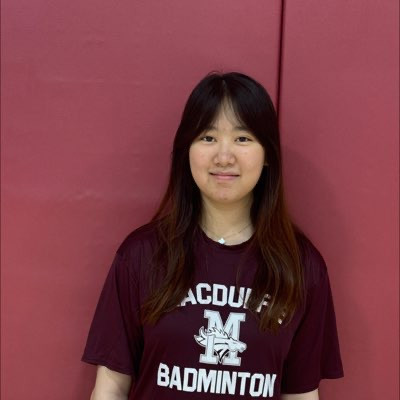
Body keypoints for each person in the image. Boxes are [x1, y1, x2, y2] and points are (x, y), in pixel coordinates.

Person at [81, 71, 344, 400]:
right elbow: (110, 388)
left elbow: (301, 395)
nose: (224, 156)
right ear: (186, 150)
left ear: (267, 155)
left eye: (242, 138)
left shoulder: (302, 267)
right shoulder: (142, 255)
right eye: (208, 137)